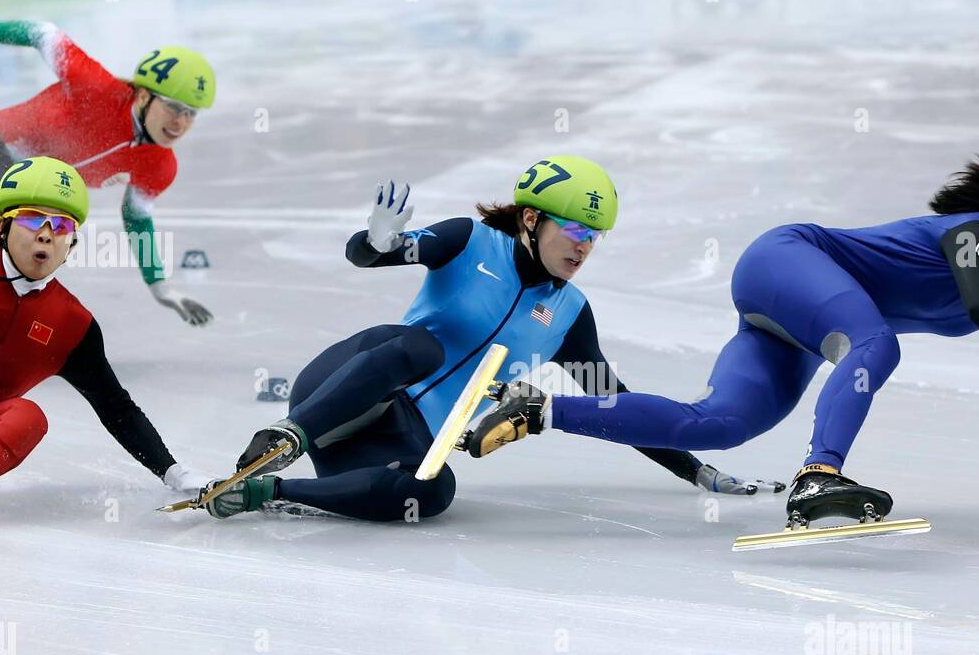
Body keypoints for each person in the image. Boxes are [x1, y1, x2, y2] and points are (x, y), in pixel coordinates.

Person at [464, 159, 979, 521]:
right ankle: (820, 474)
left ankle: (534, 409)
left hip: (795, 322)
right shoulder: (978, 235)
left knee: (718, 424)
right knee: (878, 343)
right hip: (785, 263)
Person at [204, 156, 777, 521]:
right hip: (347, 388)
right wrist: (376, 241)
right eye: (575, 229)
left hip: (388, 441)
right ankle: (287, 433)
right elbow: (366, 257)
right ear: (531, 220)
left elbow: (615, 404)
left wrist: (696, 470)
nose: (584, 247)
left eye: (595, 237)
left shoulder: (571, 314)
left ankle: (272, 492)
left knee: (432, 491)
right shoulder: (467, 241)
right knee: (421, 346)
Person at [0, 157, 209, 529]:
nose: (47, 234)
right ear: (4, 226)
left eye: (62, 225)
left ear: (72, 243)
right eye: (34, 218)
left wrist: (176, 474)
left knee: (28, 417)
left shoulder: (72, 324)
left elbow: (117, 408)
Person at [0, 18, 213, 325]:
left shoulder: (160, 165)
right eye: (174, 107)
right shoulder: (97, 88)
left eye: (191, 113)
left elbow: (137, 219)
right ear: (145, 96)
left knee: (24, 249)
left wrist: (159, 287)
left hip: (24, 182)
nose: (181, 122)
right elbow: (42, 33)